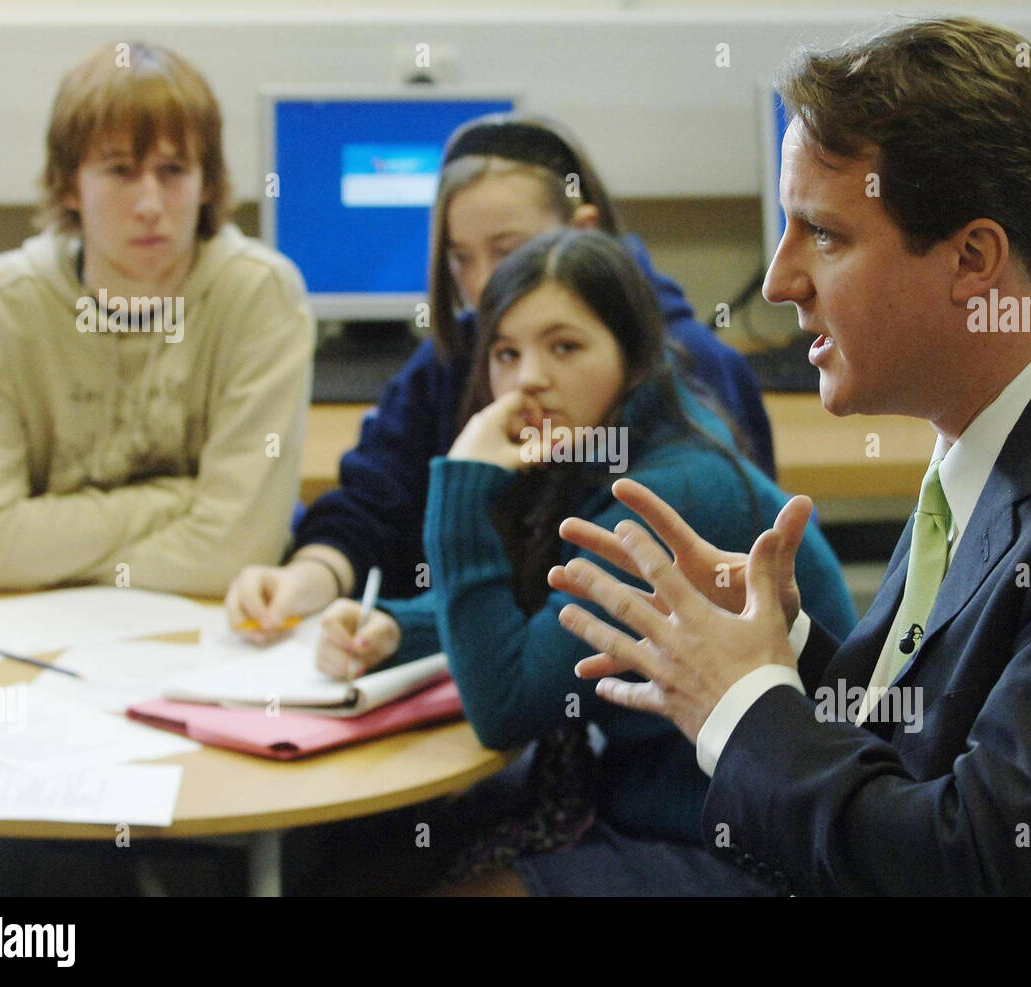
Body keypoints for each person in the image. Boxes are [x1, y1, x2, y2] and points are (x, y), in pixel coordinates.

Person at [551, 16, 1031, 895]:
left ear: (974, 258)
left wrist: (741, 706)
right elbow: (925, 740)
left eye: (823, 235)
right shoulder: (999, 425)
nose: (778, 282)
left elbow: (980, 864)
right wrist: (777, 647)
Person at [313, 229, 854, 895]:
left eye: (564, 346)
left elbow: (504, 704)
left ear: (632, 355)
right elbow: (544, 609)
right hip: (644, 807)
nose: (528, 379)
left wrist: (462, 482)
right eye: (505, 354)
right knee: (359, 860)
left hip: (756, 853)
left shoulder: (666, 491)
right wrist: (396, 626)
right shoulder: (610, 445)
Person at [225, 114, 774, 634]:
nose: (485, 285)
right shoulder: (454, 358)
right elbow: (374, 505)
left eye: (509, 251)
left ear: (584, 230)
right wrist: (311, 574)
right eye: (460, 259)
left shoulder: (693, 369)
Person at [0, 41, 313, 595]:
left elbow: (236, 553)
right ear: (69, 186)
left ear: (207, 182)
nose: (149, 204)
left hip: (215, 638)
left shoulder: (262, 296)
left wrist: (46, 550)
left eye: (173, 170)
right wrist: (185, 499)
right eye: (120, 171)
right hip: (40, 635)